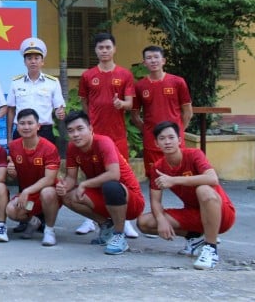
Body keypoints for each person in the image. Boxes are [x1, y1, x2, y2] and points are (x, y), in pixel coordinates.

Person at [136, 121, 235, 270]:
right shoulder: (158, 167)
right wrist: (161, 219)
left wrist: (173, 180)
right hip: (195, 214)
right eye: (162, 139)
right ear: (156, 143)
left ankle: (211, 248)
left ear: (179, 140)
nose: (167, 142)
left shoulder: (194, 155)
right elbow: (155, 200)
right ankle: (195, 238)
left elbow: (212, 178)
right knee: (144, 222)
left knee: (203, 190)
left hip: (221, 213)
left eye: (171, 137)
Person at [57, 111, 145, 256]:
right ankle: (106, 226)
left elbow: (114, 174)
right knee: (65, 194)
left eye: (80, 129)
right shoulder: (72, 148)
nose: (76, 134)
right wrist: (63, 186)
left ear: (90, 128)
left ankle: (119, 235)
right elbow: (71, 178)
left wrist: (85, 184)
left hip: (129, 199)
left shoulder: (103, 142)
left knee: (110, 186)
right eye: (71, 131)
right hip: (102, 195)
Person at [76, 33, 136, 237]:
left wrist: (122, 104)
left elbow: (130, 103)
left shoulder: (125, 74)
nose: (104, 51)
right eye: (100, 47)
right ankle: (91, 219)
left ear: (114, 49)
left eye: (107, 47)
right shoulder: (87, 75)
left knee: (120, 179)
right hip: (94, 136)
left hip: (117, 136)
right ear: (96, 50)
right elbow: (85, 102)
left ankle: (125, 219)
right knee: (92, 175)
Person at [131, 46, 193, 179]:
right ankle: (155, 201)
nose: (153, 61)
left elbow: (187, 112)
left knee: (181, 176)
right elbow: (135, 116)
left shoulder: (178, 82)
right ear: (144, 63)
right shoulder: (140, 86)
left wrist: (179, 131)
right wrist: (148, 131)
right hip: (152, 141)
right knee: (154, 177)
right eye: (149, 58)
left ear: (163, 60)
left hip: (174, 140)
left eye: (156, 57)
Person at [6, 108, 61, 246]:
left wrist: (27, 191)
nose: (26, 127)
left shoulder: (49, 148)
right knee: (11, 210)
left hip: (49, 194)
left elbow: (49, 179)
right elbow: (14, 177)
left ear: (38, 126)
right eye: (22, 123)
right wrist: (11, 173)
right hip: (30, 198)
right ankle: (33, 221)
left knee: (47, 192)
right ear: (17, 126)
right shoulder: (13, 146)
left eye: (30, 123)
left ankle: (49, 230)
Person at [6, 38, 65, 144]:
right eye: (29, 58)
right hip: (21, 130)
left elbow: (58, 108)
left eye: (36, 58)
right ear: (24, 62)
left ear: (42, 61)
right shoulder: (16, 82)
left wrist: (59, 112)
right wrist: (9, 136)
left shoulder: (53, 82)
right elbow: (10, 110)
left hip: (44, 131)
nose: (33, 61)